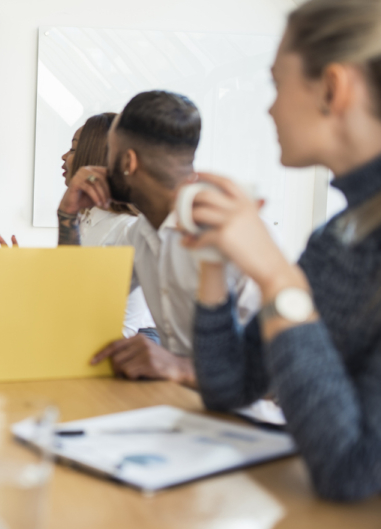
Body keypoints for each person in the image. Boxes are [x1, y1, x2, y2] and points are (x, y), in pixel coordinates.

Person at [187, 0, 381, 501]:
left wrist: (278, 279)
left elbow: (355, 473)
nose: (270, 107)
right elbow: (229, 385)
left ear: (333, 88)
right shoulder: (339, 238)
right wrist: (214, 260)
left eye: (277, 83)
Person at [58, 92, 260, 387]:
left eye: (109, 155)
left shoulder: (232, 234)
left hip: (252, 421)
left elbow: (287, 364)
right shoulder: (140, 235)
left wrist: (182, 367)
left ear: (128, 162)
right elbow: (76, 299)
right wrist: (68, 217)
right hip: (182, 407)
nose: (99, 168)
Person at [0, 113, 156, 340]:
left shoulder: (128, 229)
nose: (64, 157)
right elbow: (72, 295)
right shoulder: (85, 221)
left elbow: (123, 330)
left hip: (131, 350)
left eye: (73, 149)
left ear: (95, 156)